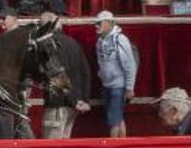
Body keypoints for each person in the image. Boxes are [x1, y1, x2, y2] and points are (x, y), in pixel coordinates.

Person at [39, 11, 91, 139]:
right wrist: (83, 100)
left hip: (58, 104)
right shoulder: (73, 43)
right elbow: (86, 72)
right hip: (72, 107)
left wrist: (74, 101)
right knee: (64, 146)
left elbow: (58, 76)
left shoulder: (47, 46)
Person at [94, 10, 136, 138]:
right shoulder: (100, 41)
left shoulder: (120, 39)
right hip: (107, 85)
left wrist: (129, 87)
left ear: (108, 23)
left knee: (113, 121)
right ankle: (123, 145)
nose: (96, 26)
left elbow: (129, 64)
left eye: (99, 23)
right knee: (117, 118)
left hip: (118, 86)